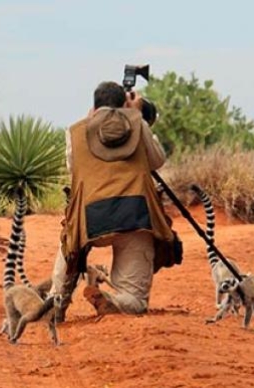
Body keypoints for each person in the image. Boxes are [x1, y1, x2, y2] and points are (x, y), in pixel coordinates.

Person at [48, 81, 181, 318]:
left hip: (89, 219)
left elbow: (73, 166)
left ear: (94, 106)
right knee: (134, 297)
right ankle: (116, 301)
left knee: (69, 241)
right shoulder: (138, 124)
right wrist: (136, 116)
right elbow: (157, 160)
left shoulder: (75, 132)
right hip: (135, 216)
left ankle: (56, 300)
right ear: (125, 105)